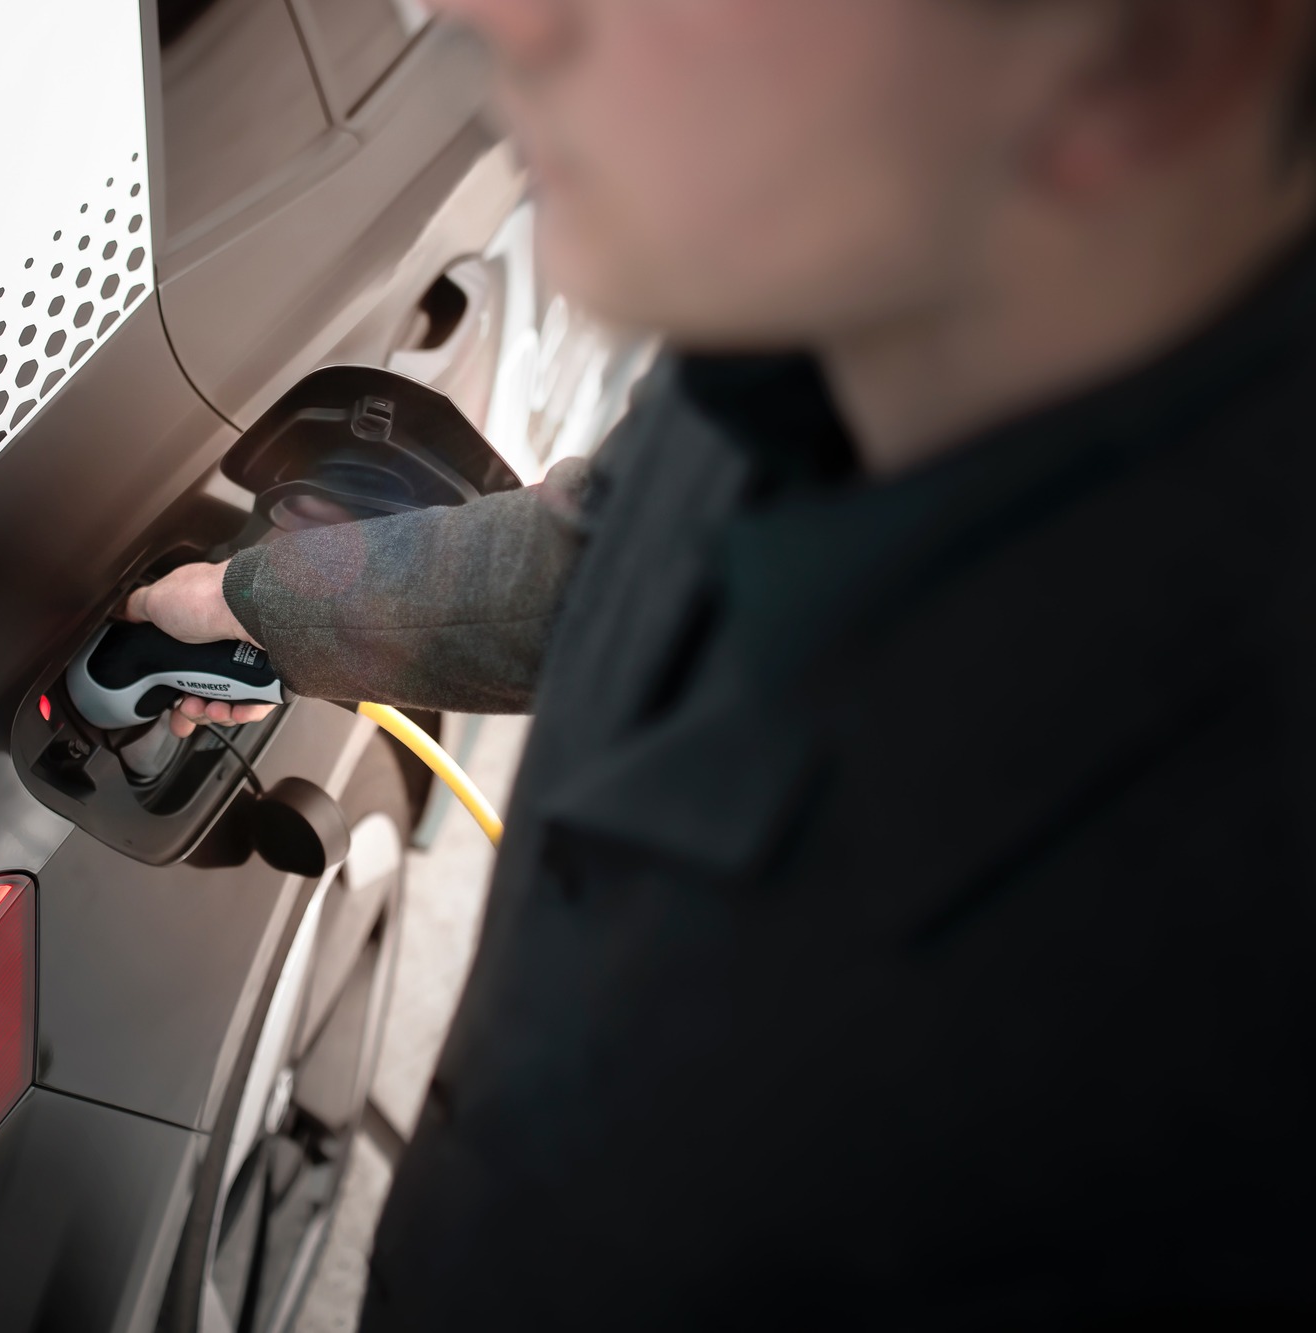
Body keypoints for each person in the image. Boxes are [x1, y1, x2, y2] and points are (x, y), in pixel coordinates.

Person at [128, 0, 1316, 1325]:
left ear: (1145, 57)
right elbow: (590, 557)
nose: (487, 13)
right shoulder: (819, 311)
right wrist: (258, 597)